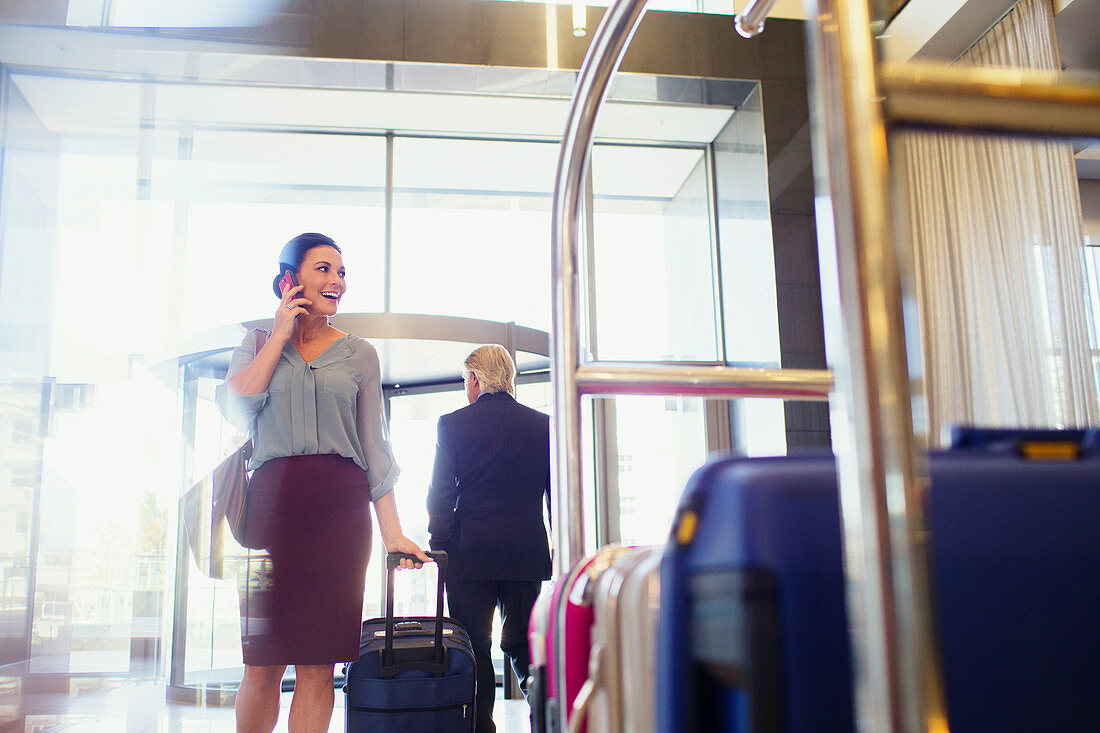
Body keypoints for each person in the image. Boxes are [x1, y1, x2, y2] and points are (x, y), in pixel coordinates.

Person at [216, 232, 430, 733]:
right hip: (267, 515)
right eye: (324, 269)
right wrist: (279, 335)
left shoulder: (360, 355)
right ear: (289, 279)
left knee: (319, 665)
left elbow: (375, 449)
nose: (337, 281)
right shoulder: (253, 342)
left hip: (339, 515)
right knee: (261, 662)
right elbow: (236, 406)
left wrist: (393, 534)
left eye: (342, 272)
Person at [426, 344, 552, 733]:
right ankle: (545, 720)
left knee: (474, 649)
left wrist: (441, 545)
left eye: (466, 380)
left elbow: (441, 496)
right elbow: (557, 495)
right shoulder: (543, 424)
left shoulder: (453, 424)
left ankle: (481, 727)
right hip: (525, 554)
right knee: (524, 645)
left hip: (470, 555)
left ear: (476, 380)